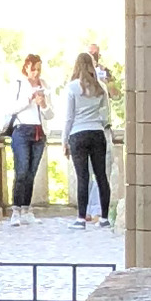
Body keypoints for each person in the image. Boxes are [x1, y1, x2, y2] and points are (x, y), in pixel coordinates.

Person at [64, 47, 117, 226]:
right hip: (97, 133)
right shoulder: (100, 88)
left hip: (78, 134)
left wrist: (65, 140)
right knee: (101, 175)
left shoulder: (72, 88)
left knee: (83, 177)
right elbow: (105, 115)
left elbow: (69, 117)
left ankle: (81, 217)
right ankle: (104, 217)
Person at [2, 52, 51, 216]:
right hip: (22, 130)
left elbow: (50, 114)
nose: (36, 73)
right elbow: (10, 108)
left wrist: (43, 104)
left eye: (38, 69)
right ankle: (16, 209)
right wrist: (28, 99)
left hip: (39, 131)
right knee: (21, 171)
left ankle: (26, 208)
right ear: (26, 68)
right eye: (33, 70)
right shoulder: (18, 84)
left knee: (31, 173)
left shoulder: (44, 85)